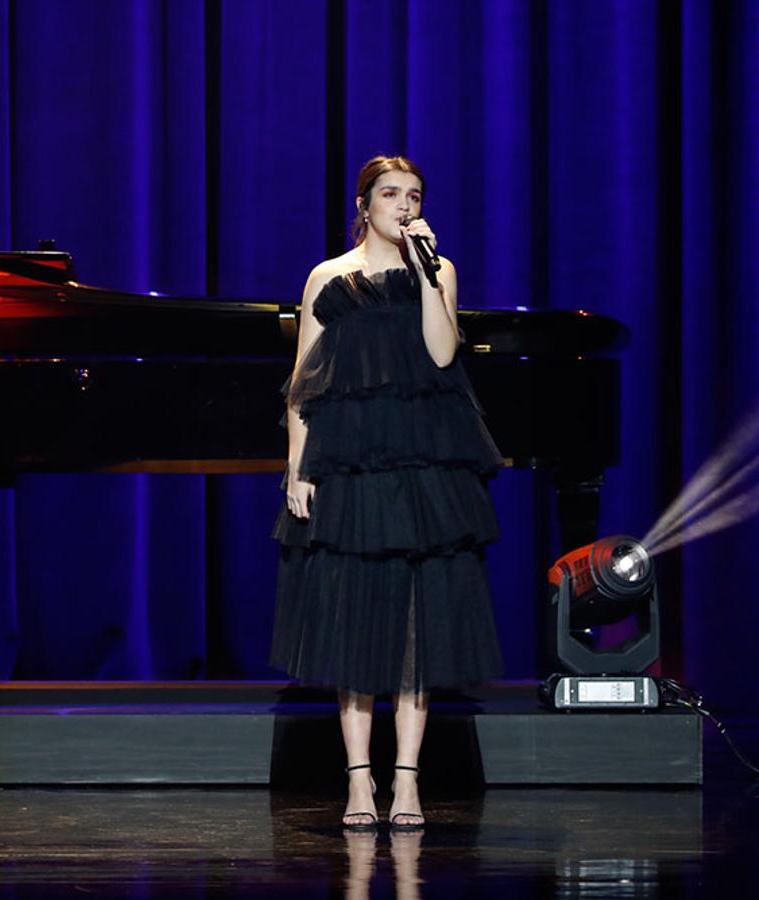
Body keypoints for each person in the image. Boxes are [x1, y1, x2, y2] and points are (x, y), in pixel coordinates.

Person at [271, 156, 504, 832]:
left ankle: (407, 782)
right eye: (390, 194)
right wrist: (296, 467)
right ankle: (358, 783)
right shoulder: (329, 278)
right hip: (348, 465)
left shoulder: (439, 270)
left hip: (424, 467)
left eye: (414, 196)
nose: (402, 206)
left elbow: (439, 354)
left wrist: (429, 273)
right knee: (353, 619)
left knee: (413, 627)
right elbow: (302, 386)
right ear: (363, 203)